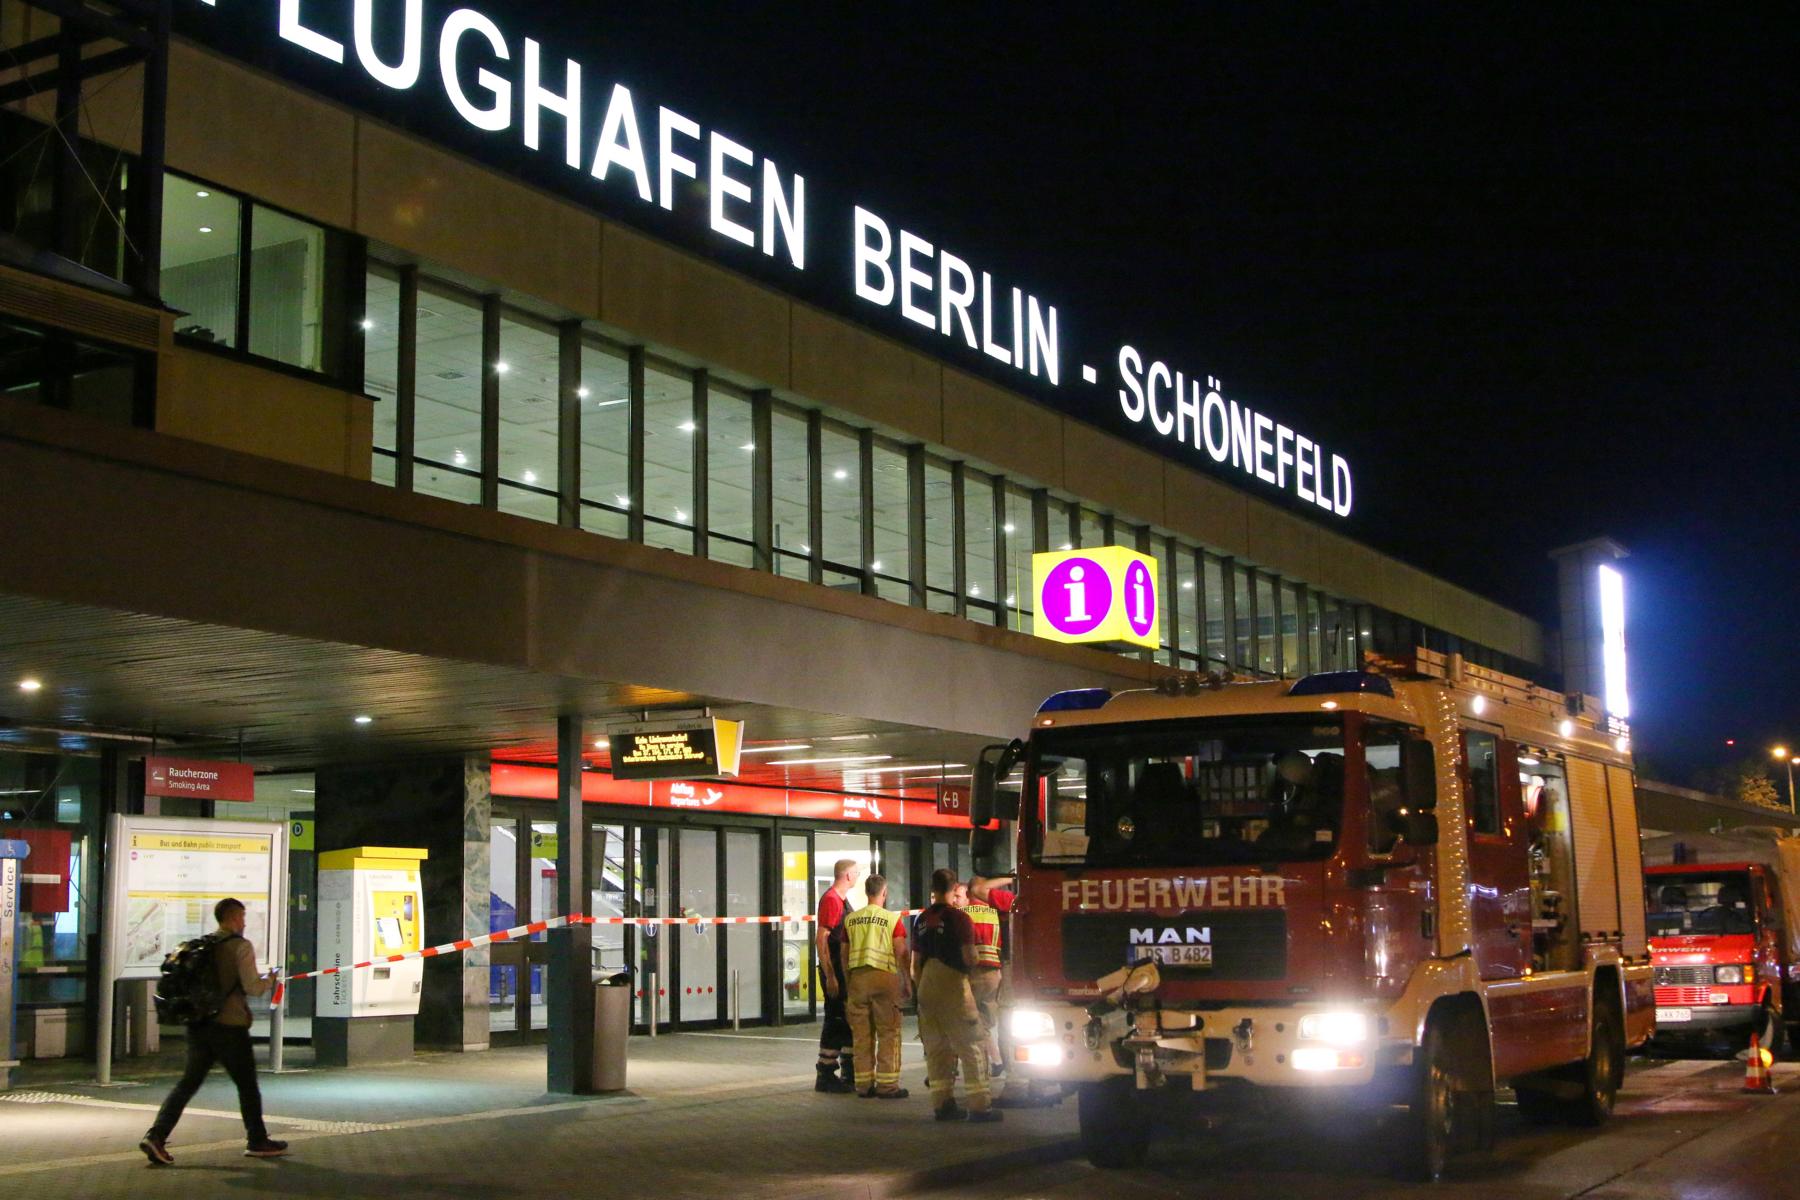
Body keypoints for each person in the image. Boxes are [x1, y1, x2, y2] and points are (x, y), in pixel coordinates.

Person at [140, 898, 289, 1165]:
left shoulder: (204, 945)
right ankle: (257, 1140)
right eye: (242, 917)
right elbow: (253, 987)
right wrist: (271, 979)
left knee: (188, 1083)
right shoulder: (240, 947)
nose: (244, 923)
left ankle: (156, 1135)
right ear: (233, 918)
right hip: (229, 1027)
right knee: (248, 1086)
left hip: (199, 1025)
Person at [912, 869, 999, 1122]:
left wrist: (921, 990)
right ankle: (980, 1106)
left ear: (933, 888)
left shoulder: (922, 919)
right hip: (953, 983)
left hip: (927, 984)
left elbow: (915, 963)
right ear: (953, 888)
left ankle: (942, 1105)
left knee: (937, 1048)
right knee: (972, 1043)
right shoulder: (959, 919)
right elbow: (970, 956)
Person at [842, 873, 910, 1099]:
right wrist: (906, 980)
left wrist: (848, 980)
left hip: (858, 980)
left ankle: (863, 1085)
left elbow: (844, 953)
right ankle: (887, 1085)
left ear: (866, 892)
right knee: (889, 1032)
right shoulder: (892, 919)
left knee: (861, 1035)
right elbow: (901, 951)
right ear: (884, 892)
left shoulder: (851, 919)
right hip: (884, 980)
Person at [814, 857, 860, 1092]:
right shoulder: (832, 900)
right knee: (836, 1018)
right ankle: (826, 1071)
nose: (858, 877)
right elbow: (822, 937)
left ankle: (847, 1071)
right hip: (835, 971)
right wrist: (830, 975)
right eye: (857, 873)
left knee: (844, 1018)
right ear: (848, 876)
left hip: (841, 971)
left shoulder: (840, 900)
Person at [963, 883, 1005, 1078]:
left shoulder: (963, 914)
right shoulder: (997, 914)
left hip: (968, 973)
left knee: (968, 1022)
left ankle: (981, 1068)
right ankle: (994, 1062)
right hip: (993, 973)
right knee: (986, 1022)